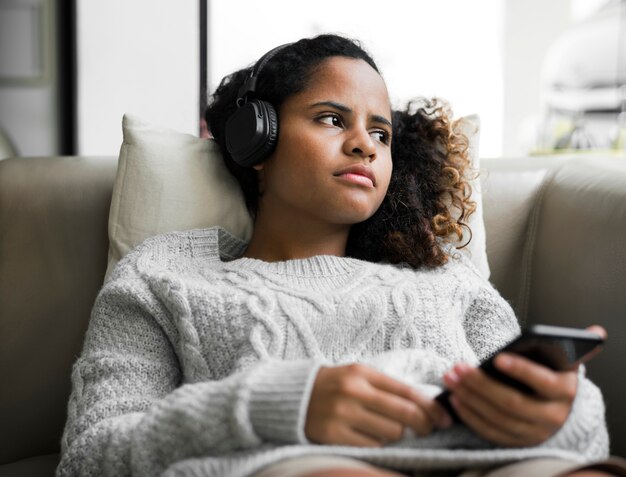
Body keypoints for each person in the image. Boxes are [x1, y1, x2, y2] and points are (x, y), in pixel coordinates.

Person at [56, 34, 625, 477]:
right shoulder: (164, 275)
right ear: (256, 140)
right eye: (332, 119)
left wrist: (559, 416)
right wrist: (276, 407)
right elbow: (91, 456)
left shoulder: (448, 282)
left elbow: (579, 436)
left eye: (380, 133)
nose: (364, 145)